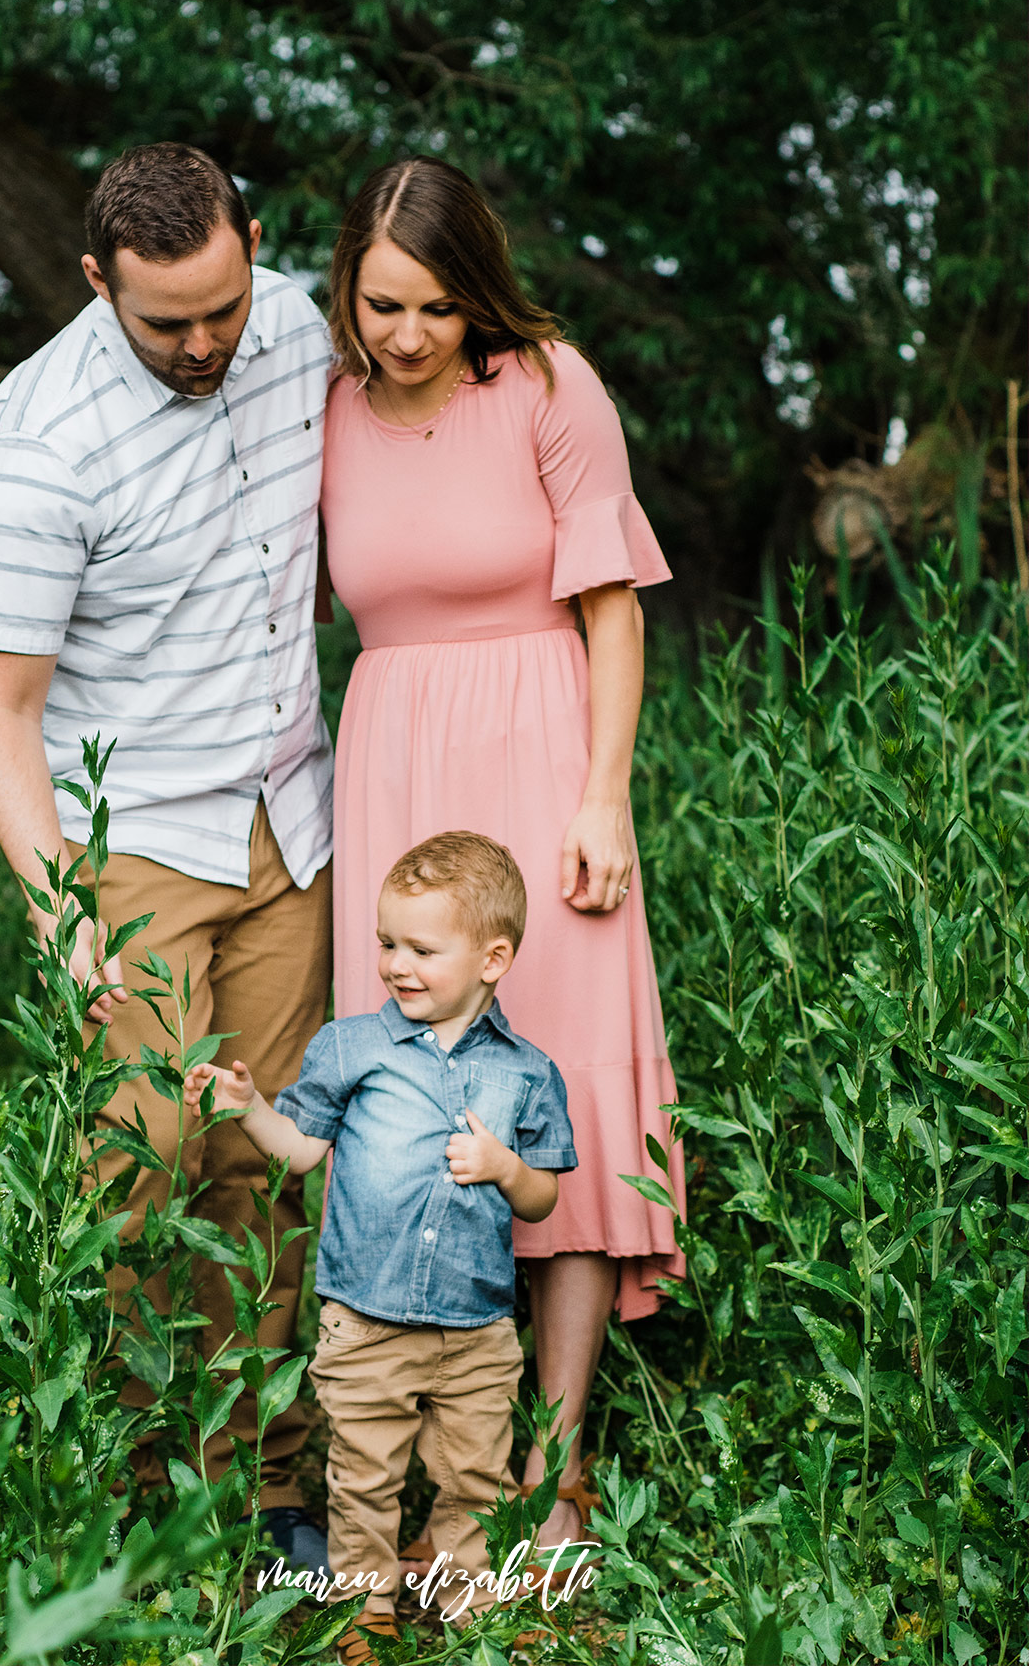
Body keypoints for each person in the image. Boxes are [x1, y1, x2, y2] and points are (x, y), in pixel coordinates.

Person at [0, 142, 333, 1562]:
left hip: (294, 817)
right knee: (148, 1163)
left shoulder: (294, 324)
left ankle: (269, 1484)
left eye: (220, 311)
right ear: (92, 279)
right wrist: (64, 915)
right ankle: (134, 1490)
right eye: (164, 321)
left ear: (252, 246)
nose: (202, 345)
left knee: (273, 1161)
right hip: (136, 843)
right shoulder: (38, 438)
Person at [319, 156, 686, 1555]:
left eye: (433, 306)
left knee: (566, 1082)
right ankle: (414, 1445)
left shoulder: (546, 385)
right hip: (398, 759)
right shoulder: (334, 411)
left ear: (477, 289)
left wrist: (605, 797)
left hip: (545, 755)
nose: (407, 335)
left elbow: (614, 612)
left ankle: (562, 1457)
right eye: (381, 305)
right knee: (412, 1093)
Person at [184, 832, 577, 1665]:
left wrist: (504, 1167)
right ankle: (365, 1611)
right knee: (364, 1481)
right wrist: (250, 1106)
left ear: (493, 958)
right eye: (387, 943)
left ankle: (470, 1603)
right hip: (364, 1320)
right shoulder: (351, 1049)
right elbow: (297, 1151)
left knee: (475, 1478)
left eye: (422, 949)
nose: (397, 964)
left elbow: (544, 1199)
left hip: (476, 1329)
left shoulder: (527, 1074)